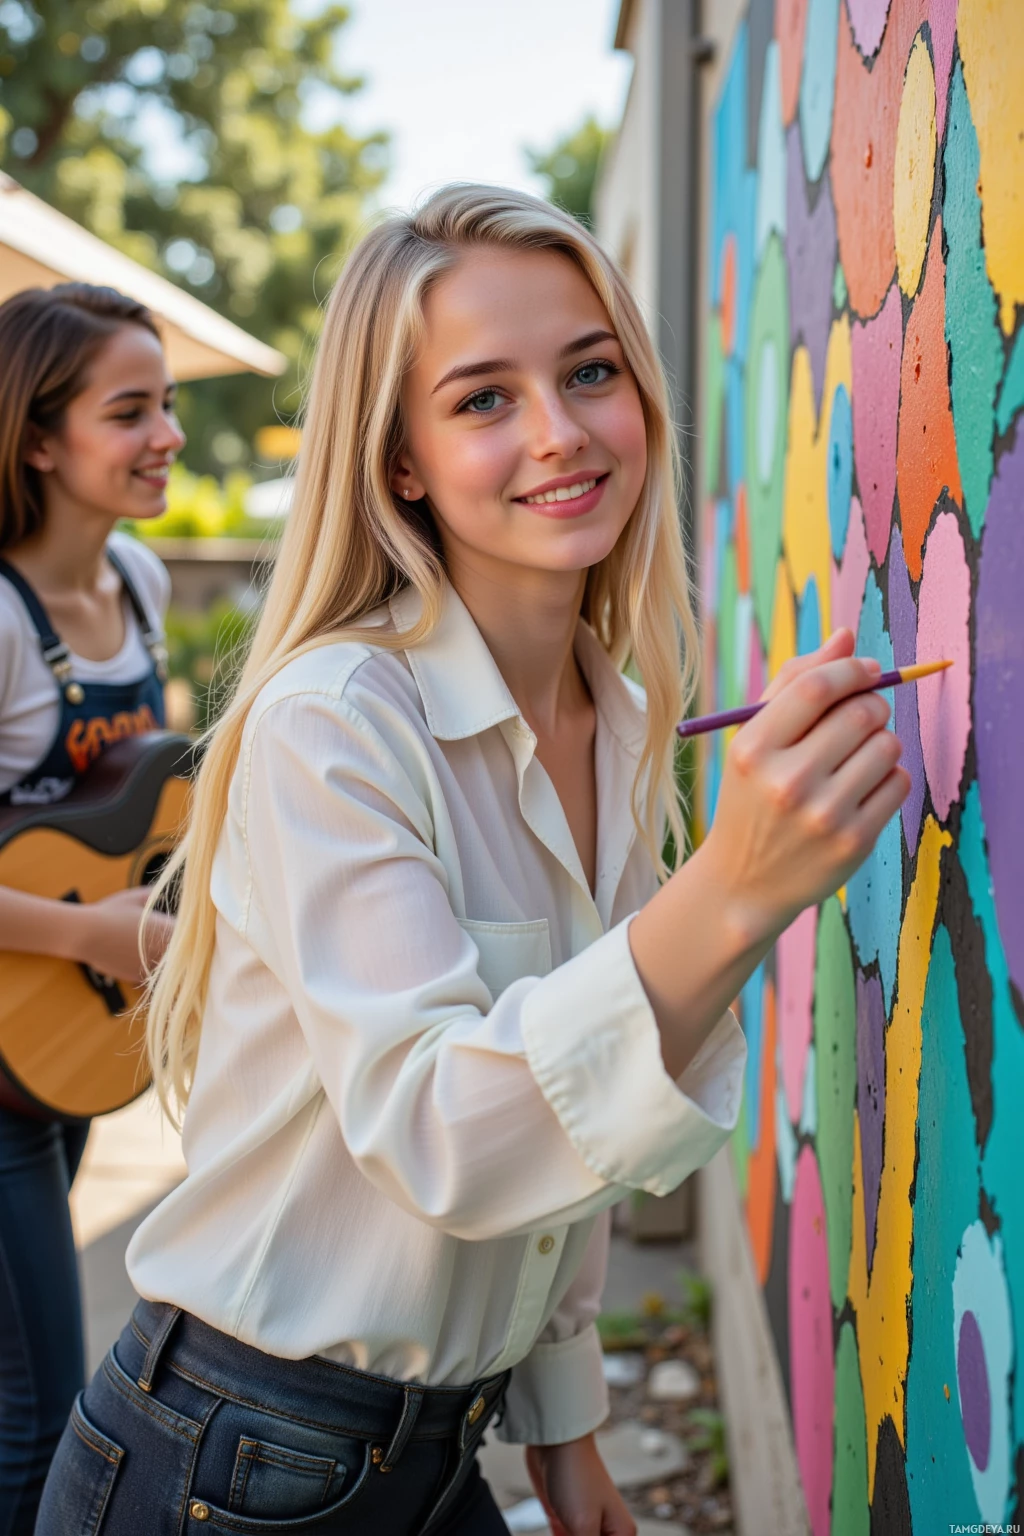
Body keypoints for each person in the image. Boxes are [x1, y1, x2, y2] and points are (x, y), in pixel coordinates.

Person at [39, 188, 908, 1536]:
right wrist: (733, 887)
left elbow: (565, 1141)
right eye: (483, 399)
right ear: (400, 463)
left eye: (590, 371)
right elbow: (448, 1128)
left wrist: (566, 1432)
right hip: (229, 1458)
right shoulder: (334, 723)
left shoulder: (616, 714)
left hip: (440, 1451)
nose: (560, 433)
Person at [0, 283, 181, 1533]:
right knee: (37, 1408)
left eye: (166, 402)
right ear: (37, 440)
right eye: (132, 411)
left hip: (52, 1041)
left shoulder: (140, 579)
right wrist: (94, 933)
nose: (167, 432)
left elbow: (132, 810)